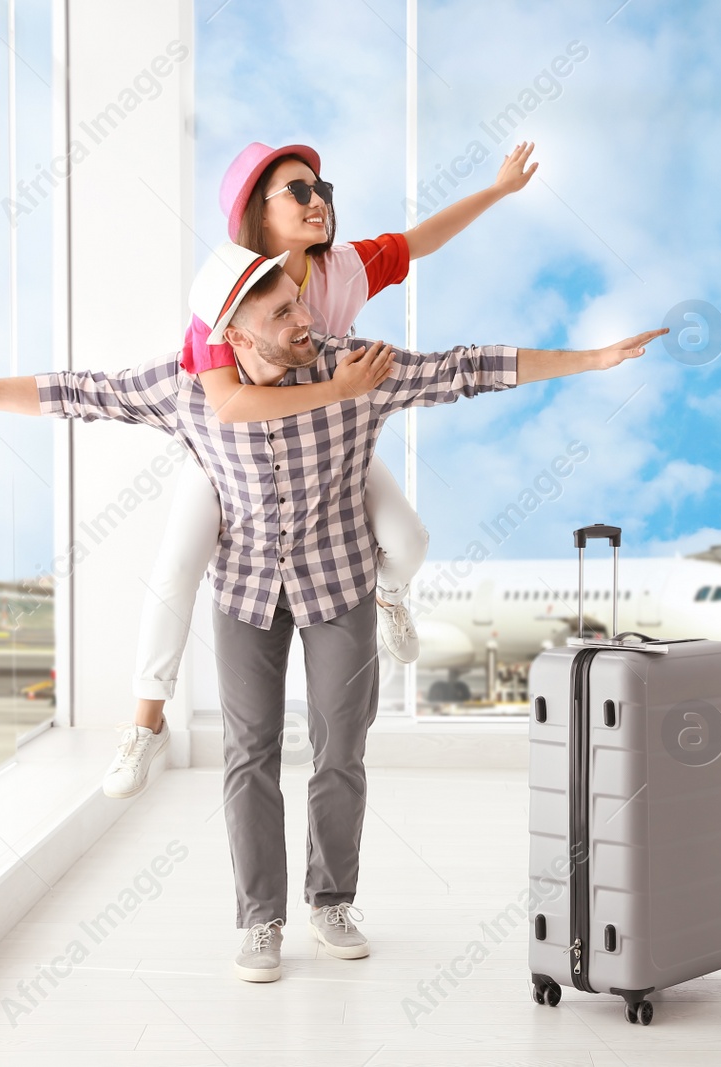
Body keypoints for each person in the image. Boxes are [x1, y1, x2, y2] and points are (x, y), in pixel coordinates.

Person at [0, 244, 662, 983]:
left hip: (339, 582)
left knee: (339, 750)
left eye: (299, 302)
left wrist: (591, 359)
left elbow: (469, 367)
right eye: (281, 314)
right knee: (248, 755)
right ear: (234, 337)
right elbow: (74, 392)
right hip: (245, 591)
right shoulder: (186, 391)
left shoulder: (359, 368)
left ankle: (331, 899)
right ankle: (260, 920)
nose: (304, 319)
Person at [108, 140, 540, 802]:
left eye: (322, 189)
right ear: (257, 210)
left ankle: (388, 596)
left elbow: (421, 239)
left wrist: (499, 189)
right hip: (237, 456)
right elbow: (226, 403)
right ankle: (145, 722)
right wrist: (336, 391)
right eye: (299, 192)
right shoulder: (228, 292)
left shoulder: (346, 266)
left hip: (326, 449)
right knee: (175, 569)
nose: (319, 201)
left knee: (409, 541)